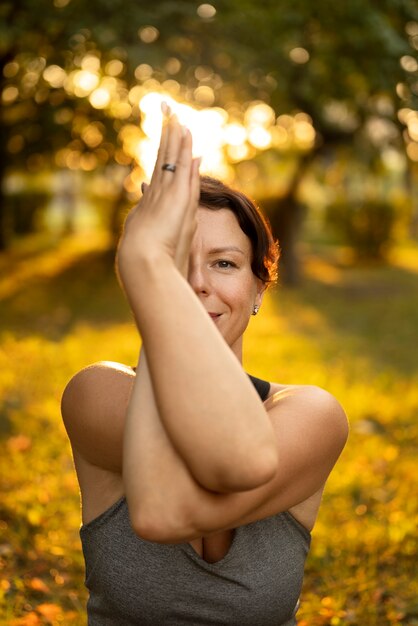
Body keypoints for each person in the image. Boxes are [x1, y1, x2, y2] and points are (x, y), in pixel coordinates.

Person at [61, 106, 348, 626]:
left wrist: (150, 264)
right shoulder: (94, 394)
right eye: (175, 261)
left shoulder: (313, 416)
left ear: (259, 287)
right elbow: (164, 507)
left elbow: (173, 508)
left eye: (224, 262)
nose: (194, 284)